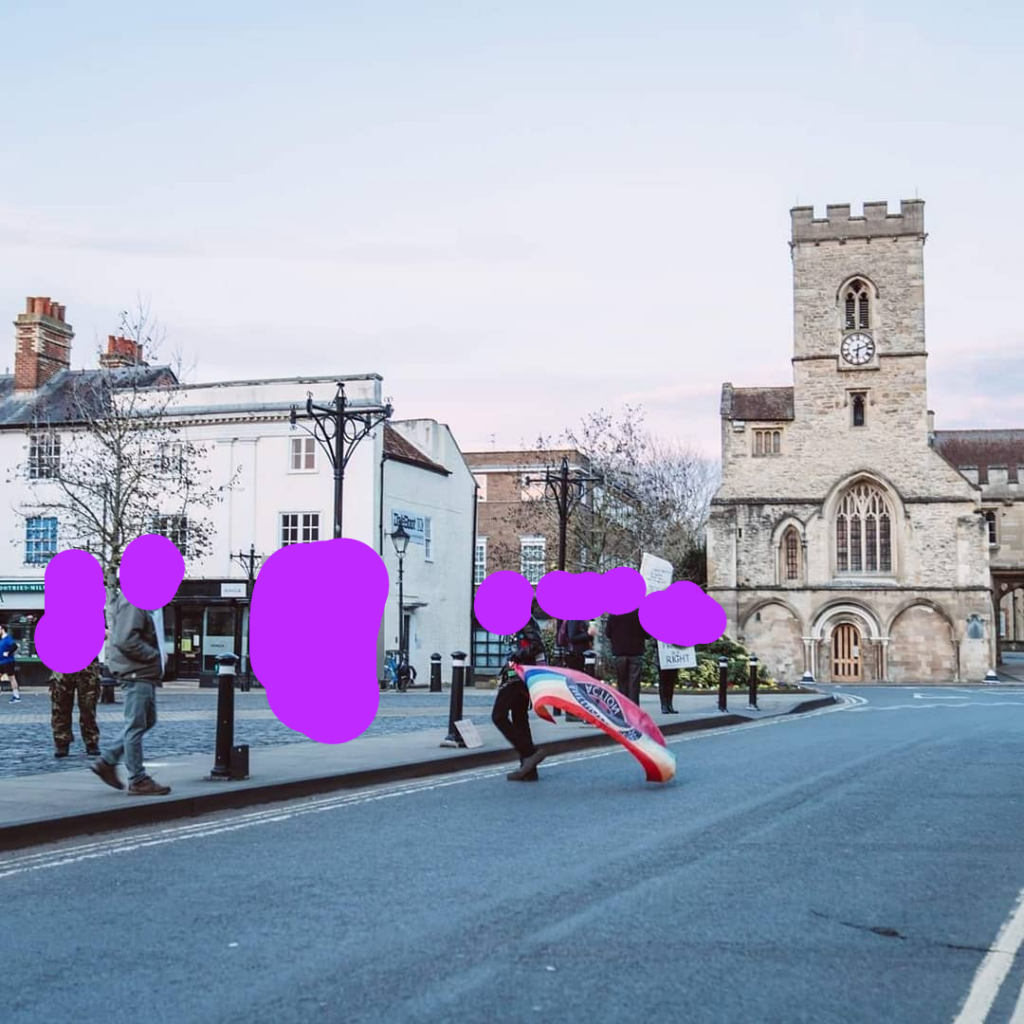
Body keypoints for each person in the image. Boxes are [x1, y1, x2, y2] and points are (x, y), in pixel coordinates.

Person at [90, 591, 171, 796]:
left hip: (143, 672)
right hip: (136, 671)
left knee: (147, 721)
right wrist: (155, 656)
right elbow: (125, 640)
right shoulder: (135, 599)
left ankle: (107, 761)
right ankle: (137, 779)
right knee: (136, 725)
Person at [492, 603, 548, 782]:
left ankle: (530, 753)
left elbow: (536, 646)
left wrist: (516, 656)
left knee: (498, 716)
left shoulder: (523, 619)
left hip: (518, 674)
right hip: (517, 674)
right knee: (519, 718)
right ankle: (529, 770)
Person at [50, 658, 102, 757]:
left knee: (88, 707)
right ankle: (62, 741)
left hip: (87, 662)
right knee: (60, 706)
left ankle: (91, 741)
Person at [605, 608, 647, 707]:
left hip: (619, 653)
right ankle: (634, 711)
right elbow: (647, 634)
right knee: (634, 685)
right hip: (636, 652)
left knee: (622, 683)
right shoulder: (640, 613)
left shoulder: (614, 614)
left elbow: (608, 633)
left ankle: (623, 709)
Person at [0, 624, 21, 703]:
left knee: (11, 678)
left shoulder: (8, 639)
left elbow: (15, 646)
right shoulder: (1, 640)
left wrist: (8, 653)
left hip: (8, 662)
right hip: (1, 662)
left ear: (2, 629)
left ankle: (16, 696)